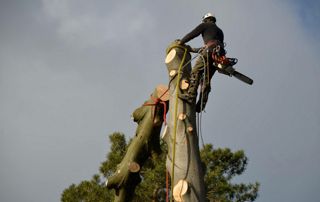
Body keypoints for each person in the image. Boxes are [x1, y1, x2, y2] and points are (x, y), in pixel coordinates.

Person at [178, 12, 232, 112]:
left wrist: (181, 42)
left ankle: (190, 96)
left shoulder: (204, 25)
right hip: (218, 56)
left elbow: (192, 34)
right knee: (206, 80)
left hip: (208, 52)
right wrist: (191, 49)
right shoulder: (220, 31)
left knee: (196, 71)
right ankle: (201, 105)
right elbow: (211, 45)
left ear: (206, 20)